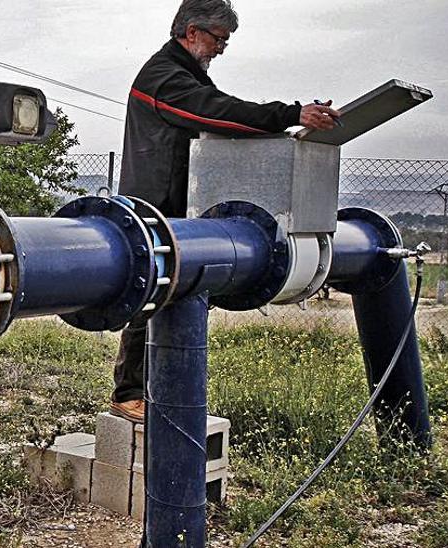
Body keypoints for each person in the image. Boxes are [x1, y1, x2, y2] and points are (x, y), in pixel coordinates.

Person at [110, 0, 340, 423]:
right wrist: (289, 114)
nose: (221, 49)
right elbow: (218, 113)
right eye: (219, 39)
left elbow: (221, 110)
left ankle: (153, 389)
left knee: (173, 295)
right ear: (192, 31)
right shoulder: (163, 77)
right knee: (152, 293)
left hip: (179, 203)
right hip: (156, 202)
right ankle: (129, 393)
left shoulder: (185, 74)